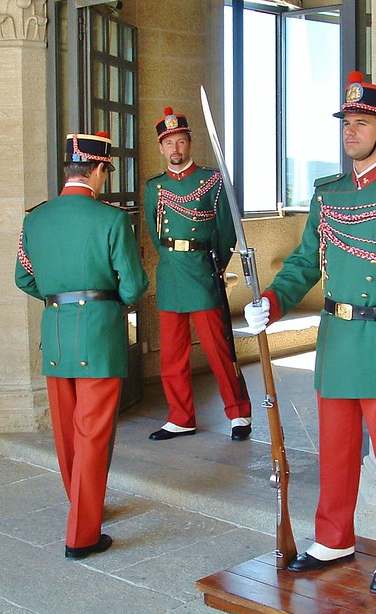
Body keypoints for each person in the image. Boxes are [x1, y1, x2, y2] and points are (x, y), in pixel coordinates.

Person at [244, 72, 376, 593]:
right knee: (335, 449)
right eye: (347, 123)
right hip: (336, 339)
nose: (351, 132)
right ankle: (334, 538)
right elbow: (303, 263)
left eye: (362, 123)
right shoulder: (329, 194)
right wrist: (270, 301)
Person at [15, 132, 149, 559]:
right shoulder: (110, 220)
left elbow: (24, 278)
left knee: (68, 434)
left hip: (55, 333)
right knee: (93, 435)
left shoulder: (34, 219)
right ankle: (82, 535)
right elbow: (134, 285)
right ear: (97, 169)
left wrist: (60, 297)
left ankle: (82, 506)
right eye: (105, 171)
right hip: (99, 333)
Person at [143, 107, 252, 442]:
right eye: (168, 143)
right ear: (161, 148)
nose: (175, 149)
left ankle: (239, 414)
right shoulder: (155, 187)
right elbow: (154, 232)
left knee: (219, 349)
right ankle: (180, 417)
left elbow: (225, 231)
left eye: (180, 141)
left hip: (203, 271)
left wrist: (214, 265)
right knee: (173, 353)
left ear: (190, 143)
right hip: (172, 272)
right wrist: (174, 258)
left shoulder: (212, 180)